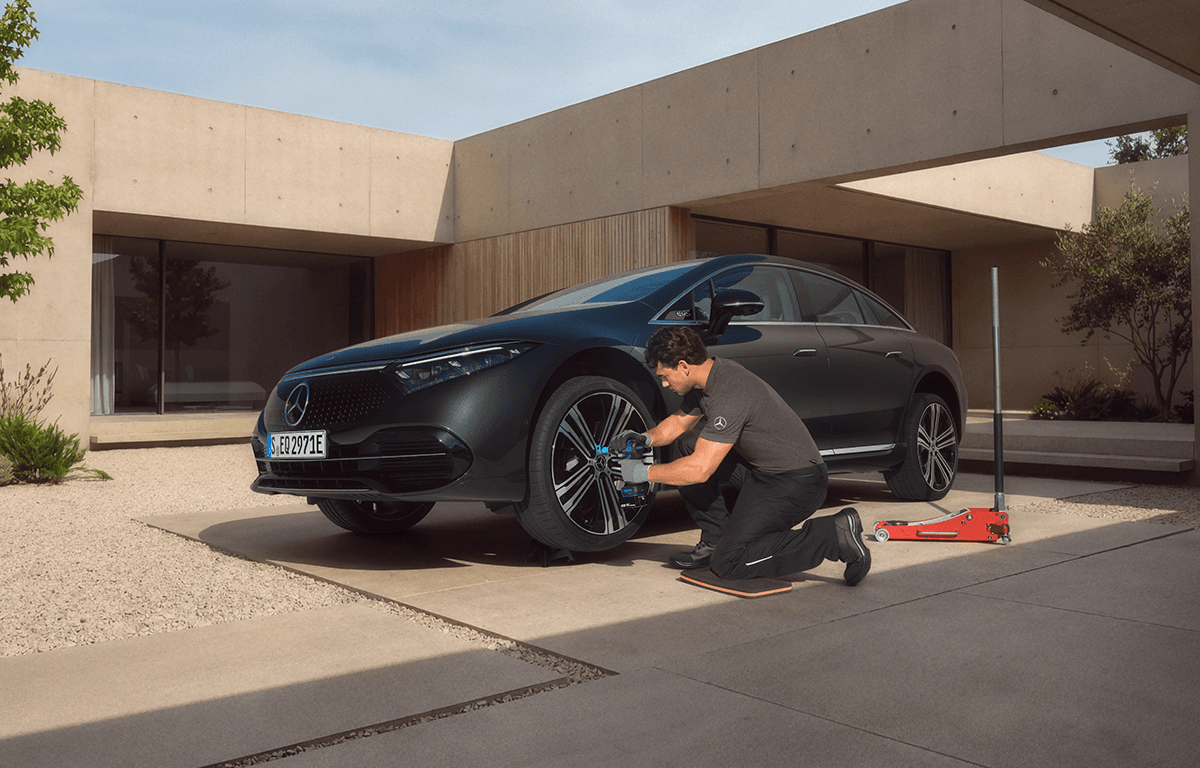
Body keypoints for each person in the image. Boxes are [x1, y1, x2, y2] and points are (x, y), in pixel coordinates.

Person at [612, 325, 870, 585]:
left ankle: (832, 535)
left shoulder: (728, 393)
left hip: (798, 483)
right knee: (686, 444)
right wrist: (645, 438)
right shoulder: (710, 377)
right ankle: (715, 540)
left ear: (683, 366)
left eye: (665, 376)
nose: (664, 384)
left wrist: (641, 473)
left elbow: (699, 469)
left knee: (729, 562)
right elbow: (678, 423)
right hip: (764, 471)